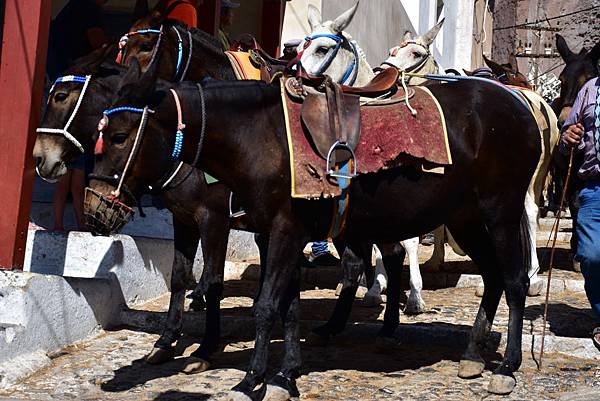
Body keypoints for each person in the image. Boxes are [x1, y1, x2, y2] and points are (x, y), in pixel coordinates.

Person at [560, 68, 600, 351]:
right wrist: (568, 135)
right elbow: (567, 133)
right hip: (594, 187)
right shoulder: (590, 90)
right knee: (589, 254)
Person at [46, 0, 109, 80]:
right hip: (68, 66)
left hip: (58, 64)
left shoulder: (77, 5)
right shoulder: (88, 7)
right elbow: (98, 43)